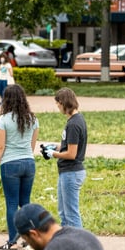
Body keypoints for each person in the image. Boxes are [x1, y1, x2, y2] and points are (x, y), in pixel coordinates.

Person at [0, 84, 38, 250]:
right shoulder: (32, 119)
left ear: (6, 100)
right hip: (29, 163)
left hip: (10, 164)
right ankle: (29, 240)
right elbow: (32, 144)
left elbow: (0, 146)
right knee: (25, 203)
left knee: (11, 203)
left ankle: (12, 242)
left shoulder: (4, 119)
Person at [40, 88, 87, 228]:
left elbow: (71, 154)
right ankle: (67, 239)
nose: (57, 107)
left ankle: (77, 240)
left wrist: (53, 154)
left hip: (71, 172)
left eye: (58, 103)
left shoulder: (73, 124)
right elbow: (70, 146)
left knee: (71, 214)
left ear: (63, 103)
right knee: (64, 213)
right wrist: (55, 147)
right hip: (67, 172)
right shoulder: (77, 120)